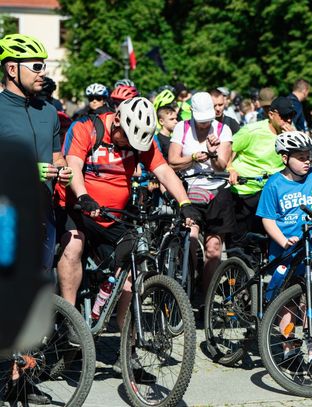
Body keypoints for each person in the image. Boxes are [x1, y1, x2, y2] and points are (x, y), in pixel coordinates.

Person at [55, 97, 198, 347]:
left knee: (132, 270)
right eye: (126, 138)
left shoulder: (140, 139)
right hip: (77, 209)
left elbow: (164, 171)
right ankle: (71, 320)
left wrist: (185, 203)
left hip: (113, 216)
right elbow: (74, 165)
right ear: (117, 120)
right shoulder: (87, 128)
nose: (129, 145)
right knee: (73, 246)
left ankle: (128, 345)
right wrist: (84, 196)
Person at [0, 33, 72, 405]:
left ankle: (21, 381)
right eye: (37, 66)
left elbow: (57, 155)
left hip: (43, 213)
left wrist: (63, 170)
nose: (43, 72)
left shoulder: (48, 112)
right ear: (12, 69)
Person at [256, 130, 312, 380]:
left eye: (308, 156)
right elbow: (268, 219)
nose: (306, 161)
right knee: (287, 302)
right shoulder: (274, 184)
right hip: (287, 253)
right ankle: (290, 350)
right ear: (284, 158)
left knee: (311, 301)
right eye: (300, 157)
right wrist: (282, 240)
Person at [168, 92, 233, 295]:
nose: (204, 124)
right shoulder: (182, 128)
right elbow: (172, 162)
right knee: (191, 239)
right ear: (192, 113)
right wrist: (193, 158)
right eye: (200, 120)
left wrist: (212, 153)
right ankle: (187, 286)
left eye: (207, 120)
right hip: (190, 190)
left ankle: (207, 298)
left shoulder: (223, 129)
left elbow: (222, 165)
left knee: (213, 249)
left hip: (217, 191)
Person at [227, 96, 295, 237]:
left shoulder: (291, 135)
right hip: (246, 191)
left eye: (291, 116)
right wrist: (230, 169)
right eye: (284, 116)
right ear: (271, 114)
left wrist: (292, 141)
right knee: (240, 239)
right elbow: (229, 149)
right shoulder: (252, 130)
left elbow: (298, 162)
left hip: (272, 191)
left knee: (267, 238)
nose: (288, 120)